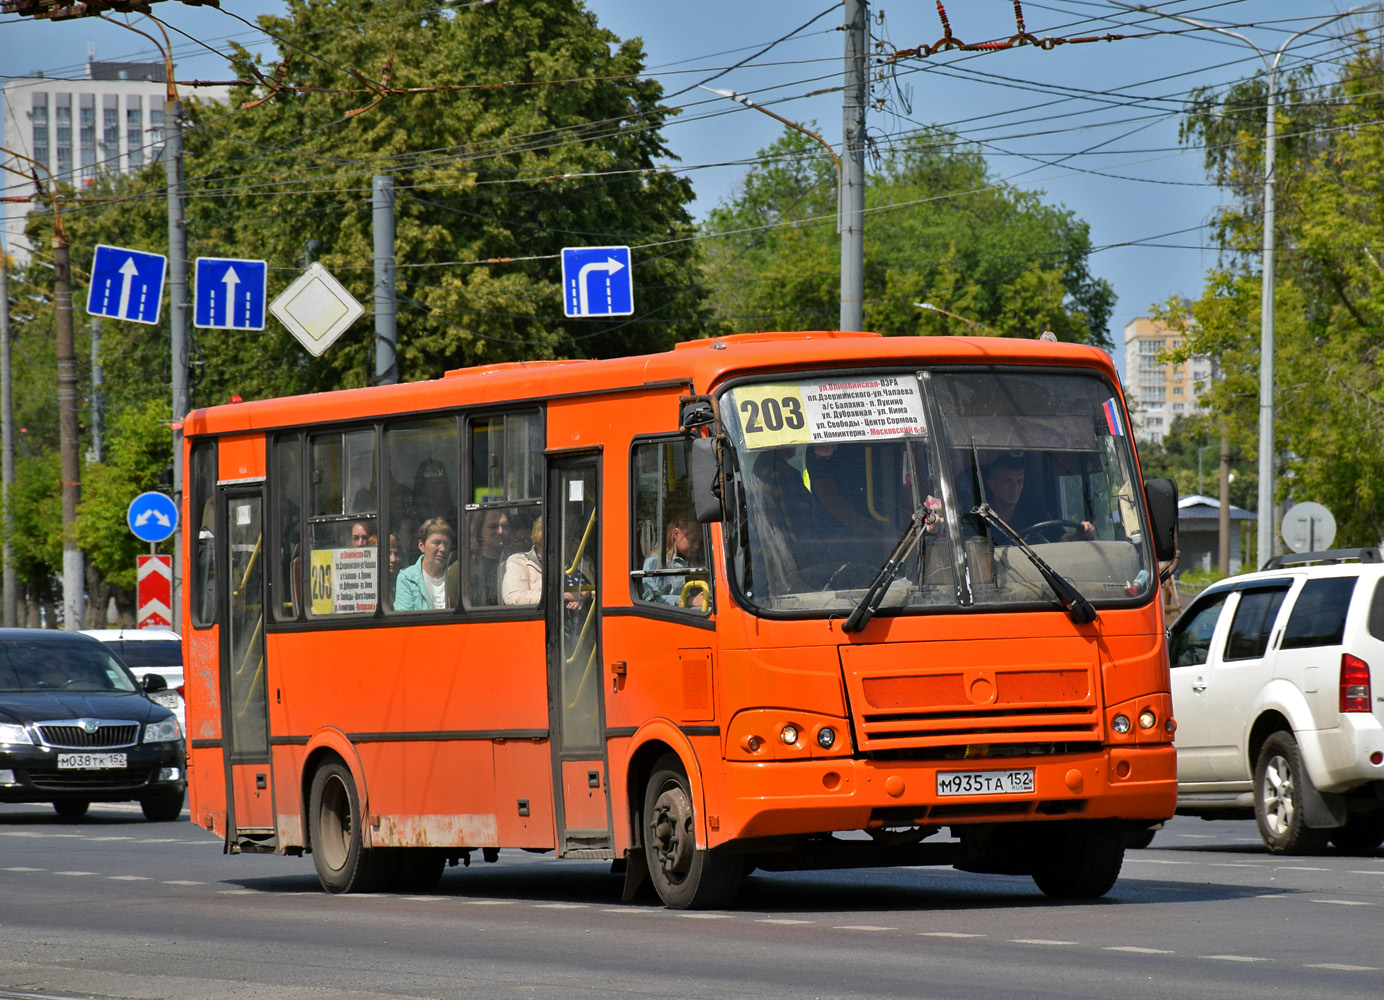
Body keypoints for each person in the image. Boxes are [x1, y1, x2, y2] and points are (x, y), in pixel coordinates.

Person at [983, 453, 1093, 541]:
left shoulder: (1033, 512)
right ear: (992, 485)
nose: (1015, 487)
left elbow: (1063, 538)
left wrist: (1079, 535)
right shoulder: (980, 519)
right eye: (1008, 481)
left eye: (1019, 481)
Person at [642, 515, 705, 608]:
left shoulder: (693, 563)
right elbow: (652, 601)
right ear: (676, 535)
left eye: (698, 542)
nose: (696, 546)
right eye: (693, 540)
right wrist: (689, 600)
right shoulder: (656, 562)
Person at [393, 517, 454, 611]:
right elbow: (403, 620)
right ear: (421, 545)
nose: (443, 549)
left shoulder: (456, 575)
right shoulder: (407, 578)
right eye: (436, 543)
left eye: (446, 543)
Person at [466, 507, 510, 606]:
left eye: (504, 526)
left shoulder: (518, 562)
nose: (500, 531)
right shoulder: (465, 568)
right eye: (492, 527)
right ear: (479, 530)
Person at [501, 516, 543, 606]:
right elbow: (514, 597)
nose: (521, 544)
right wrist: (562, 596)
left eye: (526, 540)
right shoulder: (516, 561)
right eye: (517, 540)